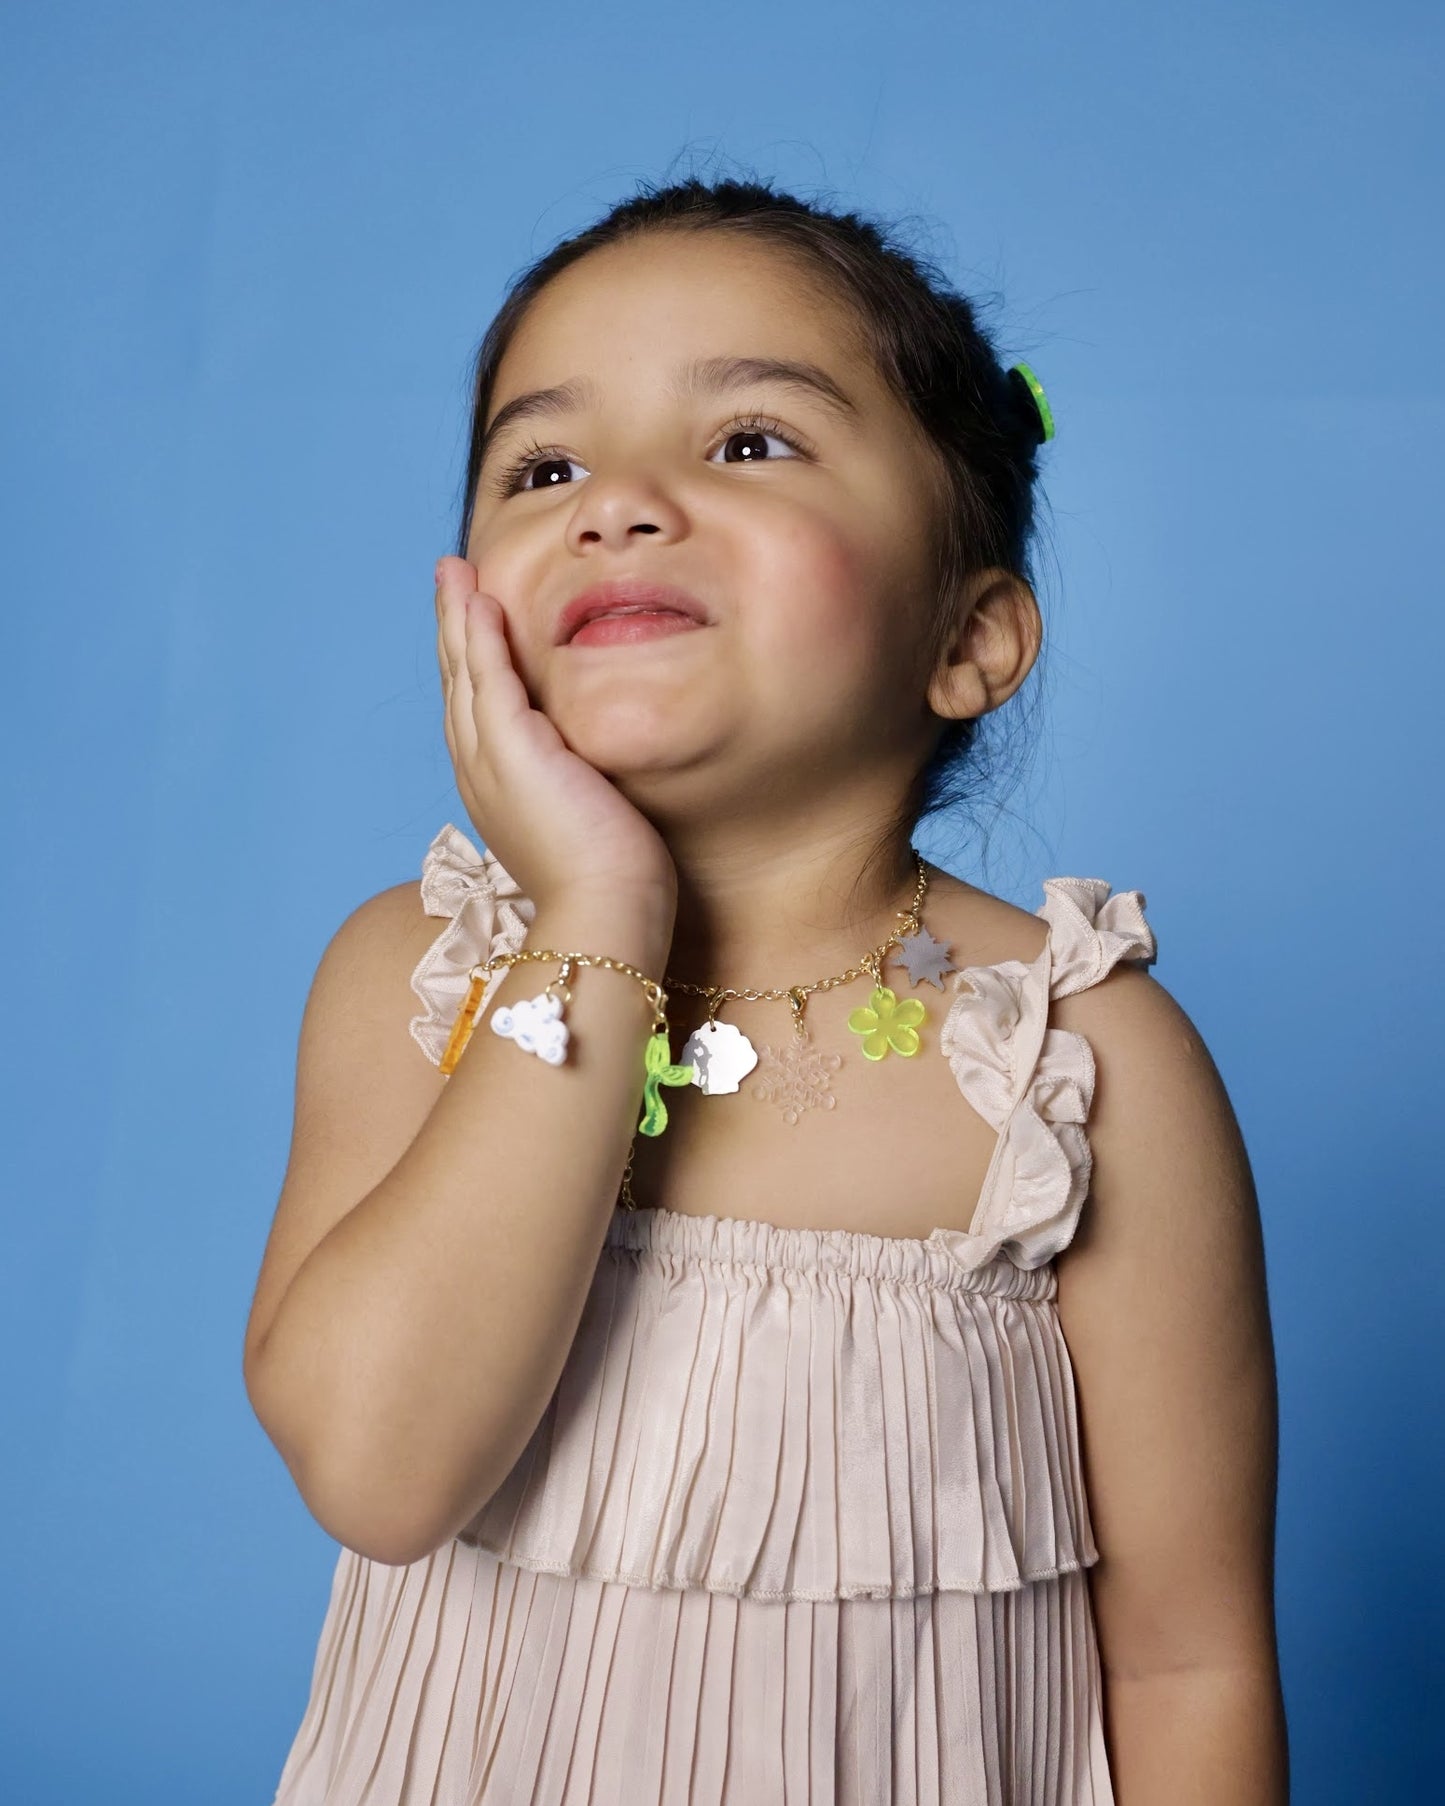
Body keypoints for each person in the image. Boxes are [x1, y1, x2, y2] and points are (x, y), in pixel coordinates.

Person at [244, 175, 1287, 1803]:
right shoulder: (420, 977)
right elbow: (381, 1470)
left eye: (746, 442)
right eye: (544, 465)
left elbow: (1188, 1657)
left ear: (970, 634)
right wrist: (597, 907)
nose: (618, 505)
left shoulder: (1070, 1065)